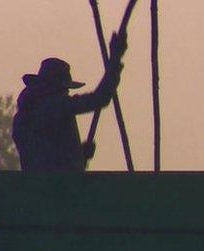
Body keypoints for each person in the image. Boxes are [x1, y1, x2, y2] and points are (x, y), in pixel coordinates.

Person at [12, 32, 127, 171]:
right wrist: (115, 61)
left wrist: (79, 156)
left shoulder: (24, 117)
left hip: (38, 187)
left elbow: (47, 155)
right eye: (64, 89)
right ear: (56, 87)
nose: (66, 93)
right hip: (56, 189)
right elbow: (99, 99)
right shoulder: (54, 107)